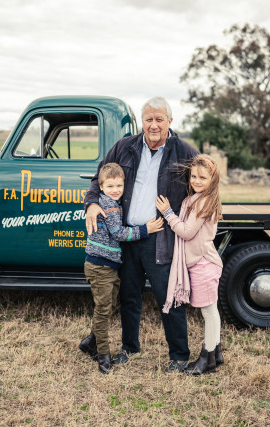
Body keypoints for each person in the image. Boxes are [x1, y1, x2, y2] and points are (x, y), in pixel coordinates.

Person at [84, 96, 198, 372]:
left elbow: (205, 183)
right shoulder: (125, 147)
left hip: (160, 237)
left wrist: (201, 217)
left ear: (170, 121)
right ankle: (130, 347)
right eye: (149, 119)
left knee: (167, 298)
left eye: (159, 119)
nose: (154, 125)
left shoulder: (184, 151)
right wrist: (92, 204)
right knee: (129, 296)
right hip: (126, 237)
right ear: (142, 122)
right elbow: (98, 178)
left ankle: (179, 355)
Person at [79, 163, 164, 374]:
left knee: (107, 307)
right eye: (110, 186)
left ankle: (90, 342)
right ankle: (103, 355)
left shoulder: (113, 203)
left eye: (119, 185)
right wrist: (145, 229)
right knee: (103, 310)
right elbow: (119, 233)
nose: (116, 190)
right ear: (101, 186)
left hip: (108, 265)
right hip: (100, 266)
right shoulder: (108, 205)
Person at [155, 154, 224, 376]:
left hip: (204, 263)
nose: (196, 181)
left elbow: (186, 232)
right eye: (193, 176)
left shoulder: (204, 202)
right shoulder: (193, 199)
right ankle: (216, 353)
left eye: (202, 177)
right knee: (211, 310)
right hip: (198, 263)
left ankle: (207, 359)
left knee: (209, 312)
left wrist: (168, 214)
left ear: (212, 179)